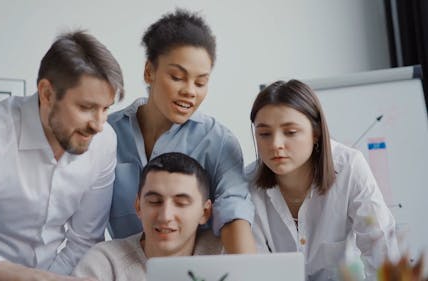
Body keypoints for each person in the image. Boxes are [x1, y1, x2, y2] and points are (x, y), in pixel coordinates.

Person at [0, 30, 124, 281]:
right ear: (47, 93)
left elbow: (85, 241)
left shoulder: (104, 141)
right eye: (86, 108)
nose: (98, 124)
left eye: (106, 109)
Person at [108, 8, 256, 253]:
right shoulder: (107, 134)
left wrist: (246, 271)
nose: (190, 91)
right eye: (177, 77)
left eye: (201, 82)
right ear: (149, 72)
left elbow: (234, 211)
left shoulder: (218, 141)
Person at [247, 80, 399, 280]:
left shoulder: (349, 167)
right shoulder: (247, 183)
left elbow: (381, 248)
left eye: (290, 132)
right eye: (264, 134)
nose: (275, 144)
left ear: (316, 133)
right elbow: (257, 268)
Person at [73, 152, 223, 280]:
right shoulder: (105, 263)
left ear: (204, 212)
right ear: (138, 206)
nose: (165, 216)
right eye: (155, 201)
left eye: (181, 203)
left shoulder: (225, 254)